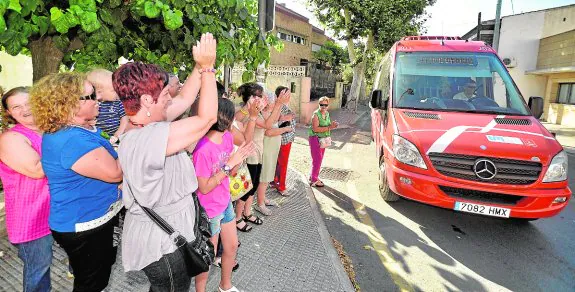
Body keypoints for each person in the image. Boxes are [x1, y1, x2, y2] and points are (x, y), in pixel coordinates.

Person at [114, 33, 219, 292]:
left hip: (169, 232)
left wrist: (198, 66)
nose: (170, 99)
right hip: (162, 244)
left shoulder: (146, 122)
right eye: (164, 96)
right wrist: (207, 69)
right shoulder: (145, 138)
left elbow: (184, 99)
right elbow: (206, 119)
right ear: (147, 101)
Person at [31, 72, 123, 292]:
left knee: (98, 275)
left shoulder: (80, 129)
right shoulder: (71, 139)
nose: (97, 100)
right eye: (89, 96)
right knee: (91, 282)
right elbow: (115, 173)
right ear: (69, 105)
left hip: (95, 219)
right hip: (84, 226)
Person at [192, 98, 254, 292]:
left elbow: (231, 172)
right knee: (207, 257)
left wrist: (239, 159)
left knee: (232, 246)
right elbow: (204, 187)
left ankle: (225, 286)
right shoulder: (202, 149)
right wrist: (229, 165)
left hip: (225, 202)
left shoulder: (227, 138)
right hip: (208, 210)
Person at [0, 87, 52, 292]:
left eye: (29, 103)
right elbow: (38, 170)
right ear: (9, 113)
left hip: (55, 208)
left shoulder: (48, 129)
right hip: (31, 214)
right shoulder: (10, 139)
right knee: (38, 268)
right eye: (16, 107)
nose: (25, 110)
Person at [233, 83, 289, 226]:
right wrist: (278, 104)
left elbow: (270, 122)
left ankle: (247, 213)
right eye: (258, 96)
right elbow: (268, 126)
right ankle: (238, 217)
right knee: (247, 187)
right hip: (248, 154)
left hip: (257, 152)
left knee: (254, 184)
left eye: (261, 95)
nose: (261, 98)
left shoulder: (254, 113)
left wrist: (278, 104)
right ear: (250, 98)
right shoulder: (243, 114)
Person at [257, 91, 293, 214]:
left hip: (272, 148)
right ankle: (260, 204)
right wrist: (285, 129)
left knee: (268, 176)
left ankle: (263, 198)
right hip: (268, 148)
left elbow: (277, 118)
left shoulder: (271, 112)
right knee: (264, 177)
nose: (276, 103)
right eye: (274, 101)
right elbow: (269, 132)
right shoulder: (265, 113)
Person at [87, 69, 129, 144]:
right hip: (97, 140)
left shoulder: (117, 102)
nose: (118, 92)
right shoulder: (91, 104)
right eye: (113, 90)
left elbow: (125, 118)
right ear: (99, 92)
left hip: (116, 139)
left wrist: (117, 134)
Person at [308, 96, 338, 187]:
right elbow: (316, 129)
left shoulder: (327, 114)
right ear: (319, 105)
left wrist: (333, 125)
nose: (323, 106)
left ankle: (313, 176)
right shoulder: (316, 115)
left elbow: (328, 125)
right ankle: (313, 180)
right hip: (315, 138)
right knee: (317, 159)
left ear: (328, 105)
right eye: (322, 105)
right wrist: (329, 127)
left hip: (323, 139)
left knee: (319, 159)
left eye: (325, 105)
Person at [273, 86, 297, 196]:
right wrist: (285, 118)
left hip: (285, 138)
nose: (289, 96)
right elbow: (275, 120)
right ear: (280, 95)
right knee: (283, 164)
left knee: (278, 163)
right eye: (286, 94)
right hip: (283, 138)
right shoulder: (278, 106)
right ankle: (281, 186)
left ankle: (275, 181)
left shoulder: (280, 105)